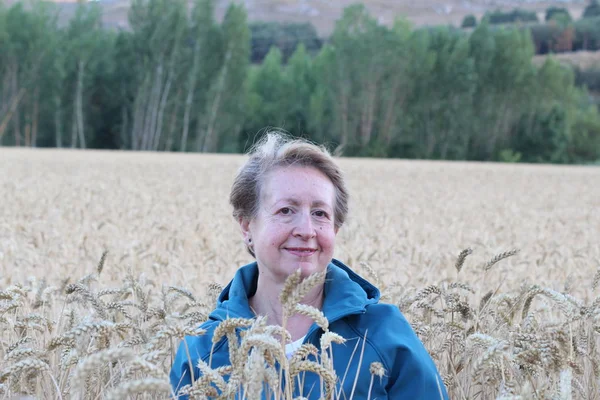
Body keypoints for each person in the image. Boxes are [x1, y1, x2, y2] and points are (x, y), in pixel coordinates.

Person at [170, 132, 449, 399]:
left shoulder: (383, 335)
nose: (306, 229)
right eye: (286, 210)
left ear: (335, 229)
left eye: (320, 213)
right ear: (247, 226)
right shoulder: (203, 351)